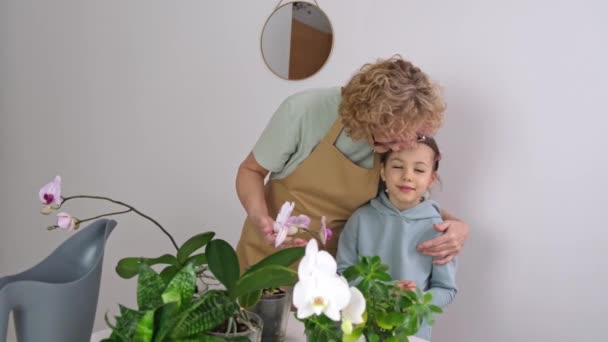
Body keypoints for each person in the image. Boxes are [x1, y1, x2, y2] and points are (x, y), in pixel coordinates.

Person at [235, 55, 468, 271]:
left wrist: (457, 225)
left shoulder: (401, 138)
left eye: (411, 136)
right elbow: (251, 170)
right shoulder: (303, 111)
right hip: (267, 256)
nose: (401, 147)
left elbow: (409, 198)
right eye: (392, 139)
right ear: (365, 119)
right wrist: (258, 216)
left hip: (328, 268)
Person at [336, 136, 457, 341]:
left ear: (431, 178)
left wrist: (415, 297)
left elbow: (446, 289)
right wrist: (385, 290)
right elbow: (342, 274)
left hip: (411, 333)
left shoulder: (439, 230)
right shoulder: (360, 219)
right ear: (382, 171)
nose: (407, 176)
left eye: (419, 170)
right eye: (398, 166)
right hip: (359, 330)